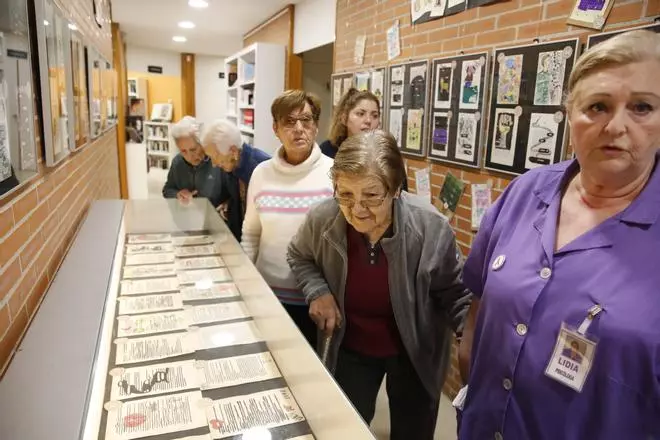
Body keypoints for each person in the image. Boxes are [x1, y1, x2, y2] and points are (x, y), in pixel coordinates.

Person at [457, 30, 660, 440]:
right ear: (570, 116)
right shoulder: (525, 192)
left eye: (641, 107)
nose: (615, 126)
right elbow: (479, 309)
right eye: (597, 107)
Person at [287, 130, 471, 440]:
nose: (357, 209)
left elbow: (456, 292)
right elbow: (298, 255)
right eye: (345, 194)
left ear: (396, 189)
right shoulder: (323, 219)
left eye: (371, 196)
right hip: (351, 347)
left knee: (413, 432)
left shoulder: (430, 228)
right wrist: (317, 290)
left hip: (414, 351)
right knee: (345, 429)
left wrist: (472, 338)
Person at [241, 90, 334, 347]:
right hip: (266, 295)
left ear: (316, 126)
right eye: (289, 122)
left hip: (314, 303)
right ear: (275, 128)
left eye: (306, 120)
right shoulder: (261, 174)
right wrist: (245, 283)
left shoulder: (334, 174)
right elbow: (251, 233)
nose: (299, 129)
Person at [320, 88, 409, 191]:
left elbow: (401, 195)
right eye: (360, 114)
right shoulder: (327, 151)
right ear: (344, 118)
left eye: (374, 116)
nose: (368, 121)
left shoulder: (388, 154)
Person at [201, 119, 270, 240]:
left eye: (214, 157)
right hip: (238, 239)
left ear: (233, 151)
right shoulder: (229, 165)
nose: (214, 164)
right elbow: (215, 198)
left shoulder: (263, 167)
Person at [162, 116, 224, 207]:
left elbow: (232, 195)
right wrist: (177, 194)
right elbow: (167, 190)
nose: (189, 156)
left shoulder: (217, 160)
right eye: (183, 151)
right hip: (186, 217)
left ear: (202, 142)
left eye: (193, 149)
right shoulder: (177, 162)